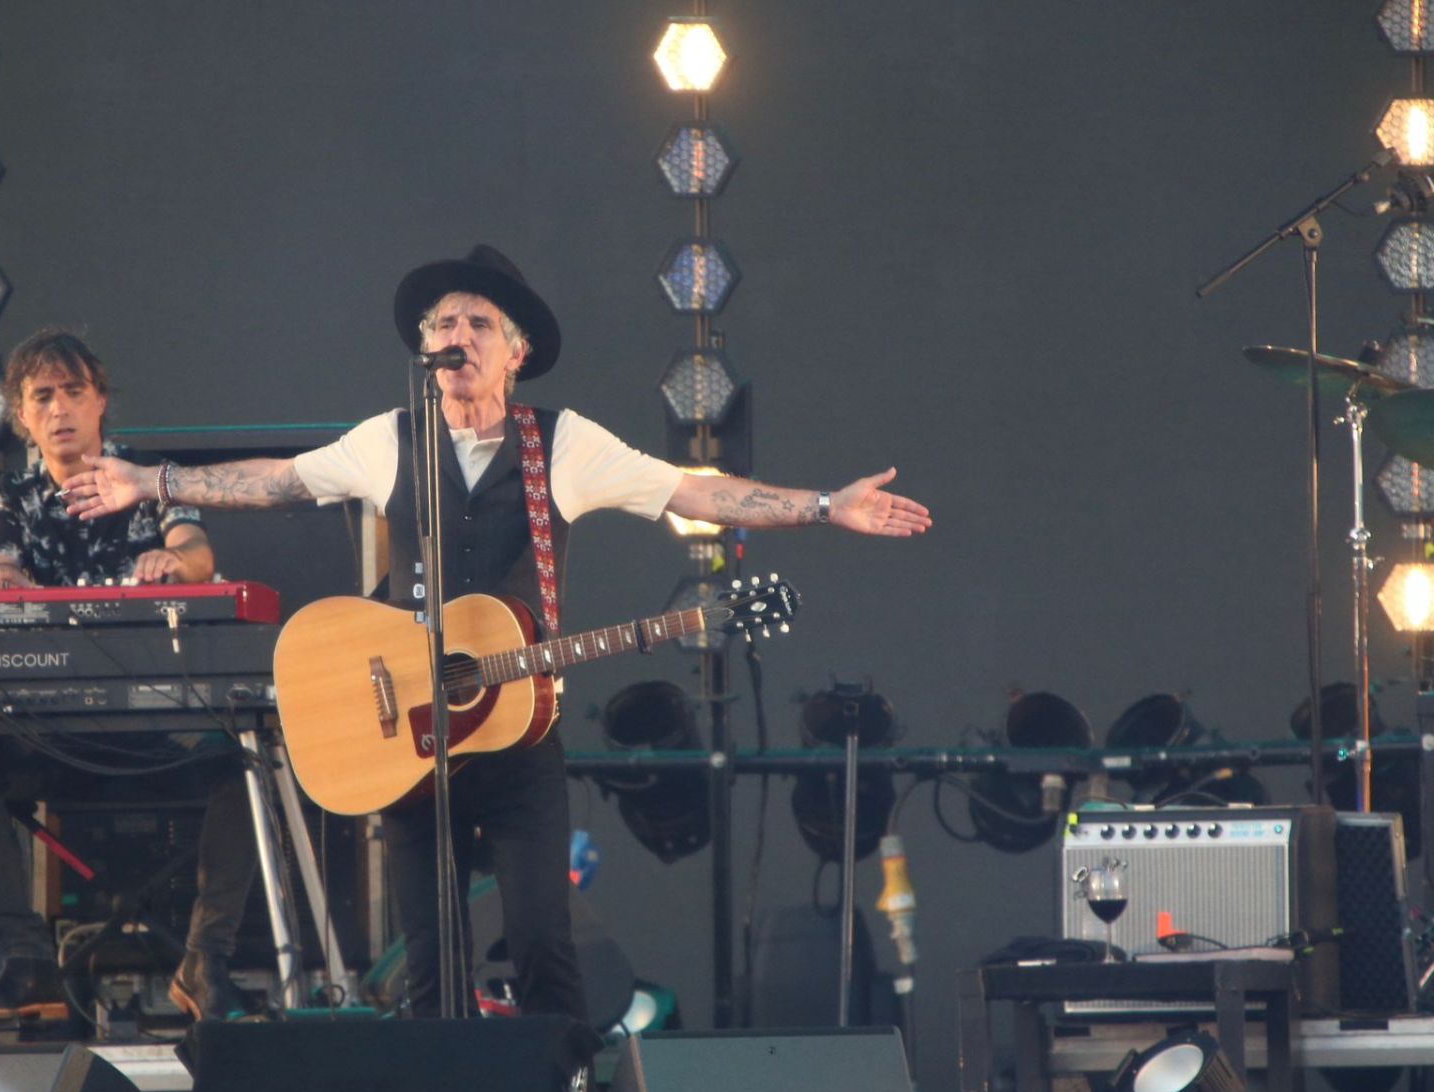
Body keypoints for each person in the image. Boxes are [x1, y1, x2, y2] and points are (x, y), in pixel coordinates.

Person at [63, 247, 931, 1020]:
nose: (458, 333)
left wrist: (825, 506)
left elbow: (694, 493)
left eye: (478, 321)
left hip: (519, 736)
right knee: (430, 968)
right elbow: (282, 482)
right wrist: (154, 481)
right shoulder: (390, 439)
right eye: (444, 322)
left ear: (515, 353)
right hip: (408, 736)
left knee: (543, 948)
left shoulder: (563, 444)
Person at [0, 328, 257, 1024]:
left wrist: (177, 564)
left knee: (251, 765)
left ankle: (206, 963)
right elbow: (1, 567)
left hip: (153, 737)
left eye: (74, 392)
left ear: (101, 401)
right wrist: (0, 577)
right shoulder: (11, 501)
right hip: (52, 741)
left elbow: (197, 550)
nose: (60, 410)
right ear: (23, 416)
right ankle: (27, 964)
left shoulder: (146, 482)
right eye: (42, 397)